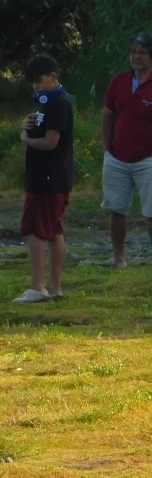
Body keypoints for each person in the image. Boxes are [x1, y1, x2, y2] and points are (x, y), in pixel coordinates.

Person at [101, 32, 152, 266]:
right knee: (116, 210)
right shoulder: (118, 81)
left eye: (141, 52)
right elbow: (107, 116)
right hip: (117, 157)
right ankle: (119, 258)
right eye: (133, 52)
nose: (136, 56)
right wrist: (107, 149)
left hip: (148, 157)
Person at [15, 54, 74, 303]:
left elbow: (51, 142)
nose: (36, 87)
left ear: (53, 77)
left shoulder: (59, 103)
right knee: (54, 231)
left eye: (39, 82)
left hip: (47, 179)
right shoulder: (48, 103)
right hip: (54, 178)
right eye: (33, 84)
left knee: (33, 230)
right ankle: (54, 286)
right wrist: (30, 124)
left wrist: (26, 139)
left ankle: (38, 286)